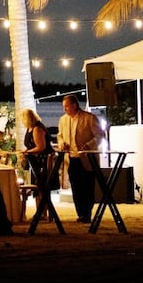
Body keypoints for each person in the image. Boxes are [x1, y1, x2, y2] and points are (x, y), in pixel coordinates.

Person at [57, 93, 103, 222]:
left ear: (74, 105)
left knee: (88, 187)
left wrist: (87, 146)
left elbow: (100, 135)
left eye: (66, 106)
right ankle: (81, 213)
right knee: (76, 187)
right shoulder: (63, 120)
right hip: (71, 158)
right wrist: (61, 143)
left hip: (87, 159)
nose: (64, 109)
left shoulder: (89, 118)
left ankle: (87, 213)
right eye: (63, 107)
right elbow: (60, 135)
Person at [19, 108, 57, 221]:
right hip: (35, 163)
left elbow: (41, 147)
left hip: (42, 162)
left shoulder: (37, 129)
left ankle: (43, 213)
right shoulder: (29, 129)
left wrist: (27, 152)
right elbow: (31, 145)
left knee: (42, 187)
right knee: (38, 189)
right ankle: (40, 212)